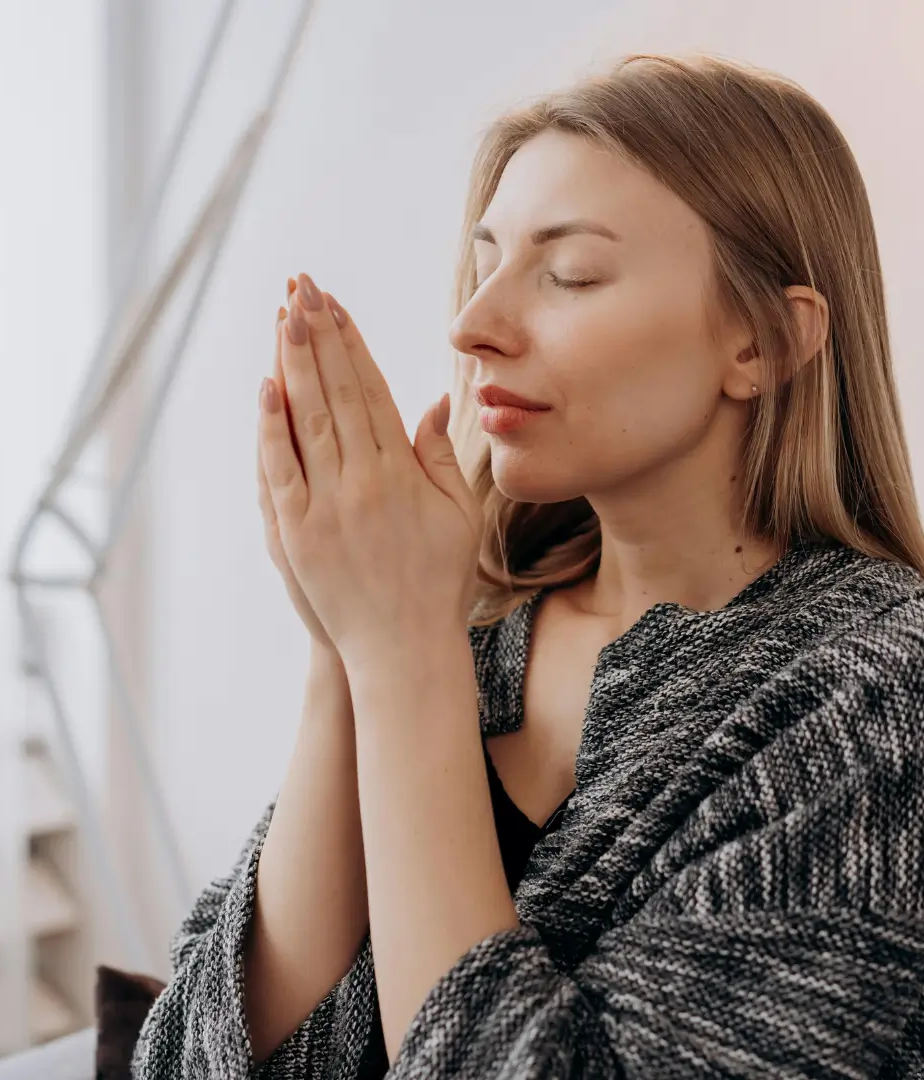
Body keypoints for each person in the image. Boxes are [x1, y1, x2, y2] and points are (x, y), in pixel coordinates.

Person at [131, 52, 924, 1079]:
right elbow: (197, 1062)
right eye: (484, 264)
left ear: (765, 341)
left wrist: (405, 656)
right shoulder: (471, 626)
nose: (473, 327)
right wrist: (347, 647)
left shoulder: (877, 692)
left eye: (570, 274)